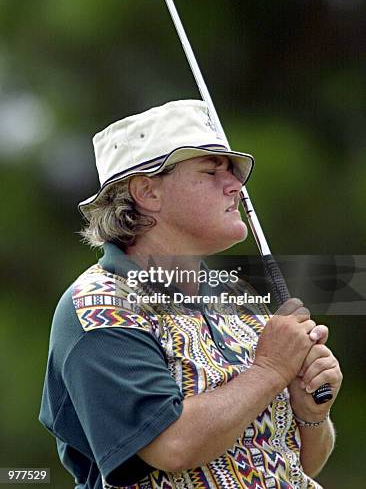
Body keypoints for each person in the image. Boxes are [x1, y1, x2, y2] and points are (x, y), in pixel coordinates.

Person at [39, 99, 342, 489]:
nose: (235, 185)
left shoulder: (237, 295)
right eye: (210, 170)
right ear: (148, 192)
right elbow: (171, 445)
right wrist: (270, 370)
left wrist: (312, 413)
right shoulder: (99, 307)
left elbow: (300, 464)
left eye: (233, 172)